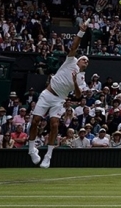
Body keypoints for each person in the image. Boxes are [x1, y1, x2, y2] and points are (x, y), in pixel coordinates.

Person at [28, 22, 90, 168]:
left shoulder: (82, 78)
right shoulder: (71, 61)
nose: (86, 62)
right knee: (36, 120)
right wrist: (81, 32)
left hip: (59, 100)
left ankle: (48, 156)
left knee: (54, 124)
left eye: (88, 61)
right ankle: (31, 150)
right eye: (84, 59)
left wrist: (74, 82)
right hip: (47, 94)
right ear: (79, 60)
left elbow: (78, 95)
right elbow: (74, 46)